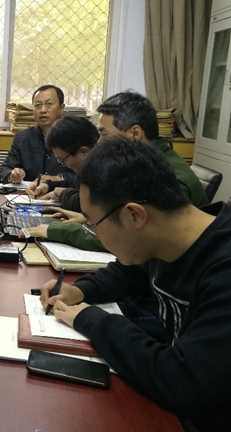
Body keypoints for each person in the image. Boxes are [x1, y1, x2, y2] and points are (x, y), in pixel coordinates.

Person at [38, 137, 231, 432]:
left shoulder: (223, 269)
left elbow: (184, 383)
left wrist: (91, 319)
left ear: (134, 215)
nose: (96, 234)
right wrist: (80, 290)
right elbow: (129, 274)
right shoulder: (168, 238)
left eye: (93, 224)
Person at [25, 91, 209, 252]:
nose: (98, 144)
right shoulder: (140, 165)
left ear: (135, 134)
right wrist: (90, 220)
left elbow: (133, 239)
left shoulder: (165, 178)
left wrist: (61, 230)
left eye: (104, 135)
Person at [0, 84, 74, 185]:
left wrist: (59, 178)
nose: (43, 110)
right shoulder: (22, 138)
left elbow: (86, 175)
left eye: (49, 104)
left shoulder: (75, 137)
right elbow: (2, 170)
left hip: (62, 193)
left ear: (61, 108)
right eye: (38, 105)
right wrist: (12, 175)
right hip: (29, 193)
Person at [26, 115, 99, 210]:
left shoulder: (104, 173)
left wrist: (62, 194)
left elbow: (87, 204)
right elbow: (75, 183)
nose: (65, 165)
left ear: (83, 152)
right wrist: (49, 185)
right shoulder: (91, 169)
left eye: (62, 160)